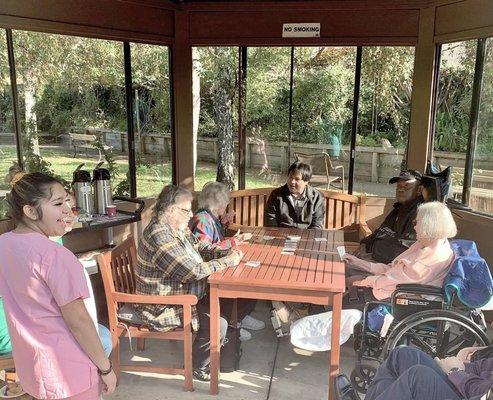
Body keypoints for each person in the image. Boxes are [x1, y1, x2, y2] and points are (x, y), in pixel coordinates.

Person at [0, 172, 116, 399]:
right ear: (31, 211)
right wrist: (106, 368)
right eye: (58, 203)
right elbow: (79, 321)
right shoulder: (56, 256)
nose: (68, 209)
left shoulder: (4, 245)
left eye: (67, 201)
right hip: (69, 371)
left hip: (32, 367)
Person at [134, 184, 243, 381]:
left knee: (225, 301)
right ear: (170, 209)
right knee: (218, 323)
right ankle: (197, 366)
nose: (191, 214)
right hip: (163, 303)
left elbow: (200, 247)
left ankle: (210, 349)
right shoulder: (160, 235)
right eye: (186, 210)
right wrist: (227, 261)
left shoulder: (176, 228)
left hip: (182, 293)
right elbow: (192, 272)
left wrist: (226, 251)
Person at [189, 181, 265, 341]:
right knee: (248, 280)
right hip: (208, 273)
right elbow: (205, 250)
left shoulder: (209, 216)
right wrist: (234, 241)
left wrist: (224, 223)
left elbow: (213, 239)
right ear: (217, 203)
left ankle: (240, 317)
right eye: (225, 201)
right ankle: (234, 323)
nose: (227, 204)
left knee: (254, 274)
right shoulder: (203, 220)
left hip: (219, 265)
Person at [343, 201, 457, 302]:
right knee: (349, 275)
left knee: (343, 290)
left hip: (394, 298)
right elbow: (392, 270)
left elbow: (392, 281)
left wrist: (364, 282)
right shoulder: (427, 244)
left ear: (428, 224)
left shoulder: (430, 258)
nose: (414, 227)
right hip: (391, 288)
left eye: (415, 222)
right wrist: (358, 262)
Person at [335, 345, 493, 400]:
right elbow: (483, 366)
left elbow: (483, 394)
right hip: (469, 385)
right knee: (402, 354)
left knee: (418, 377)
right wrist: (460, 367)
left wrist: (455, 371)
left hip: (473, 394)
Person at [348, 169, 425, 274]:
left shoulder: (419, 214)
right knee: (339, 262)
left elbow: (402, 250)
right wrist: (363, 245)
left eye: (406, 186)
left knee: (341, 270)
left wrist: (372, 248)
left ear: (419, 189)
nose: (401, 190)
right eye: (399, 186)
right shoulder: (399, 208)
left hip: (389, 267)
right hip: (375, 256)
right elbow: (380, 231)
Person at [264, 161, 326, 229]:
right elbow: (270, 223)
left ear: (306, 181)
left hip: (306, 237)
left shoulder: (317, 197)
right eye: (290, 177)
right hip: (281, 236)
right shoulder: (276, 195)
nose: (292, 182)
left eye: (297, 179)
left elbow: (317, 226)